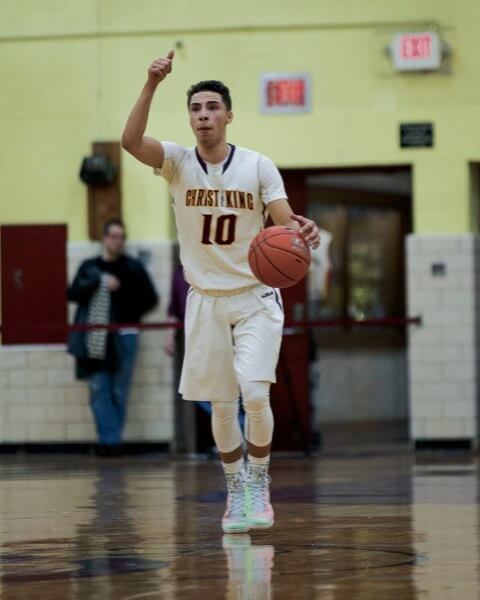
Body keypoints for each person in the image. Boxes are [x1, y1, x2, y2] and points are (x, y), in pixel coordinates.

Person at [121, 50, 320, 532]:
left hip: (254, 296)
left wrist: (301, 231)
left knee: (254, 393)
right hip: (205, 298)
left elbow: (283, 223)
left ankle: (259, 482)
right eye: (195, 109)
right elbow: (129, 142)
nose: (203, 115)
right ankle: (235, 489)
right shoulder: (176, 162)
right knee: (223, 403)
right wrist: (151, 84)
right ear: (189, 118)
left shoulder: (258, 165)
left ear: (229, 116)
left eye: (212, 108)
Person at [67, 219, 159, 457]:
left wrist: (125, 305)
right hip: (97, 335)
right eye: (115, 236)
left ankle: (111, 441)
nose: (119, 241)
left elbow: (151, 298)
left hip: (125, 333)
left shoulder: (132, 267)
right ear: (104, 238)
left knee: (119, 390)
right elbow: (73, 293)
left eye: (122, 237)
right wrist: (98, 283)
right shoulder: (90, 267)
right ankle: (110, 440)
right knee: (99, 388)